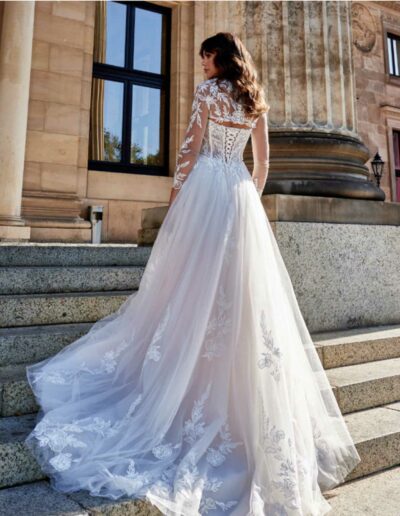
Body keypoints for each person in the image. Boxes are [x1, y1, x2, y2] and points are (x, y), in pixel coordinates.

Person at [25, 32, 361, 515]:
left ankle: (181, 381)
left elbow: (189, 152)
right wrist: (247, 199)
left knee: (188, 287)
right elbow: (263, 163)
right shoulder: (255, 98)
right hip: (239, 195)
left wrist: (176, 204)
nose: (201, 62)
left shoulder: (207, 93)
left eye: (205, 55)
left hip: (205, 189)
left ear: (220, 57)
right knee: (239, 297)